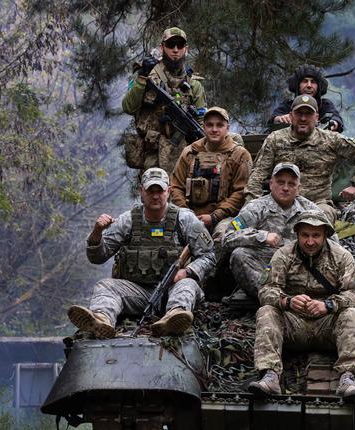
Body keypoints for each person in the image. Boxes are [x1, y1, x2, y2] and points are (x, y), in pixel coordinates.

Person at [67, 168, 215, 338]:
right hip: (138, 293)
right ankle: (101, 320)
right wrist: (97, 232)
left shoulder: (185, 220)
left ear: (168, 191)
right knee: (105, 285)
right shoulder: (128, 221)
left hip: (172, 291)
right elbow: (97, 257)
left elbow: (209, 255)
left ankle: (173, 319)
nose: (155, 196)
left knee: (187, 285)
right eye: (150, 190)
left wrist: (188, 271)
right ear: (141, 192)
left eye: (160, 190)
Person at [248, 211, 355, 401]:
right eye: (305, 235)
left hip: (327, 326)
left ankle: (349, 377)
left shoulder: (342, 257)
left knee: (352, 313)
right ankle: (270, 375)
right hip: (294, 326)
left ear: (325, 235)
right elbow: (265, 290)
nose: (310, 241)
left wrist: (328, 305)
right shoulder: (283, 255)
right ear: (297, 234)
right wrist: (287, 301)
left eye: (316, 235)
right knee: (266, 311)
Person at [246, 95, 355, 223]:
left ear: (316, 117)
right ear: (291, 116)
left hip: (318, 204)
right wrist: (253, 205)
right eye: (299, 113)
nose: (303, 118)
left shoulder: (331, 140)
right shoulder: (275, 139)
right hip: (280, 203)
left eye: (308, 114)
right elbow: (257, 175)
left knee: (316, 224)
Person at [222, 163, 320, 298]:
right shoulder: (255, 208)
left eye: (291, 184)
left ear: (298, 188)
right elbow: (228, 237)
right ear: (271, 184)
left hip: (302, 266)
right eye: (280, 182)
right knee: (240, 254)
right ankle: (274, 299)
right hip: (267, 268)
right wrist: (261, 236)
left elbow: (333, 243)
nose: (285, 188)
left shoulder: (310, 209)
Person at [121, 27, 207, 176]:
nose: (175, 50)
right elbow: (128, 106)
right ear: (162, 48)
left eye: (179, 45)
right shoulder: (146, 75)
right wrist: (142, 77)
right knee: (155, 197)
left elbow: (201, 120)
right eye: (170, 45)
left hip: (185, 156)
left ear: (186, 49)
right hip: (153, 157)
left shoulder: (194, 85)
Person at [169, 106, 252, 245]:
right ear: (204, 127)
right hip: (190, 216)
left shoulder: (240, 155)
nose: (214, 129)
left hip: (224, 218)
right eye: (210, 125)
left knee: (223, 237)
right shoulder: (189, 152)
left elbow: (241, 192)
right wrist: (187, 214)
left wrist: (214, 217)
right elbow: (176, 187)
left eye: (220, 125)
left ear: (227, 127)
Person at [268, 64, 344, 132]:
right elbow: (273, 119)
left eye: (313, 82)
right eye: (305, 81)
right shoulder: (288, 105)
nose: (309, 85)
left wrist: (334, 122)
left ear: (318, 87)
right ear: (297, 85)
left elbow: (335, 117)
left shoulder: (324, 105)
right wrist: (279, 119)